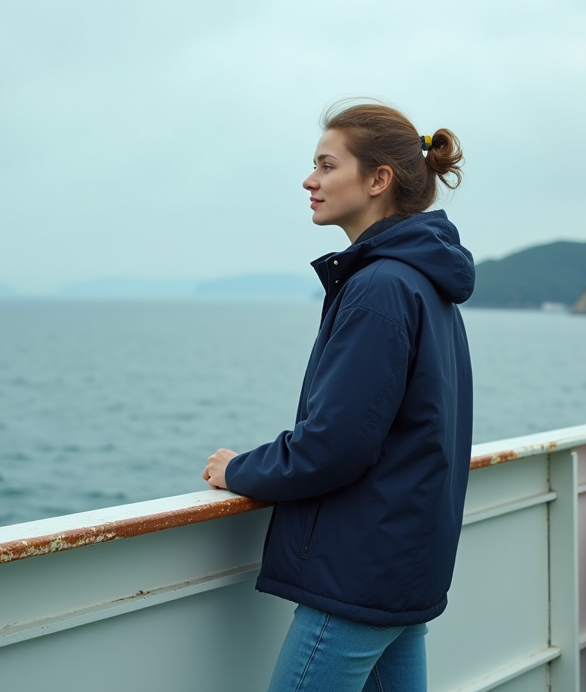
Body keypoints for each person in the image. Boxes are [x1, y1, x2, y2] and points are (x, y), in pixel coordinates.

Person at [202, 101, 474, 692]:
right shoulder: (422, 281)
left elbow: (337, 443)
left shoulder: (379, 286)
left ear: (378, 180)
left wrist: (240, 469)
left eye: (327, 165)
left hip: (359, 575)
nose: (310, 180)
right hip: (405, 563)